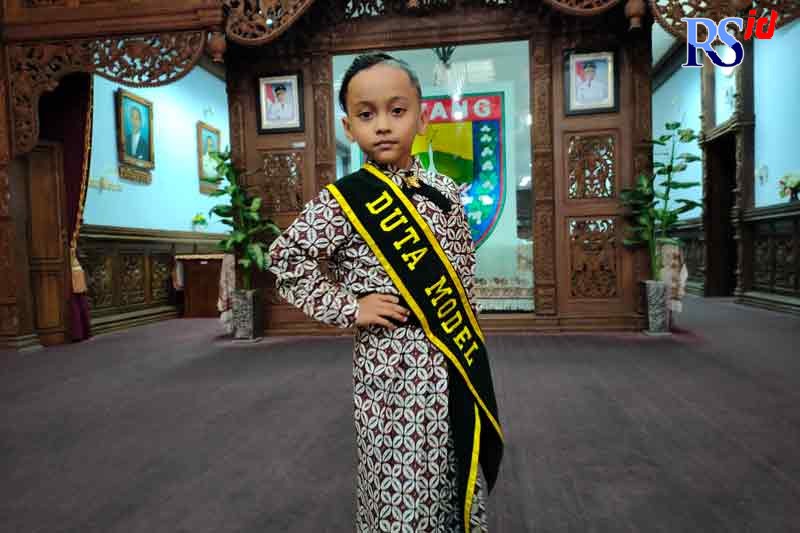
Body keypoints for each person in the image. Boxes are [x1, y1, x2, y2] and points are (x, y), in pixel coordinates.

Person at [268, 53, 503, 533]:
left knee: (454, 464)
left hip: (452, 354)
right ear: (348, 126)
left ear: (421, 117)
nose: (383, 126)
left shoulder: (445, 191)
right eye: (366, 114)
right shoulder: (343, 201)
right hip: (390, 363)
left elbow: (462, 272)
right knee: (401, 479)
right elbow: (285, 260)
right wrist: (349, 307)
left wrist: (469, 337)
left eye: (397, 111)